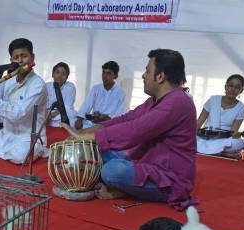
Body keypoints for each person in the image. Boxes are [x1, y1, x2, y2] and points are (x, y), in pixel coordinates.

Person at [64, 49, 197, 211]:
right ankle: (124, 186)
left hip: (168, 179)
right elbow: (127, 119)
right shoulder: (155, 100)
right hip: (146, 163)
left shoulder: (177, 102)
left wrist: (92, 136)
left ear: (160, 76)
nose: (143, 75)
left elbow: (136, 130)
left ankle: (123, 188)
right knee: (96, 149)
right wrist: (88, 132)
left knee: (111, 171)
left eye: (147, 71)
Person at [196, 74, 244, 157]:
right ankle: (223, 153)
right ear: (225, 87)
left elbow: (234, 131)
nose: (233, 89)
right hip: (205, 136)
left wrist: (236, 134)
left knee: (240, 143)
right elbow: (198, 123)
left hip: (224, 139)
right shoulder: (213, 99)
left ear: (241, 90)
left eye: (237, 87)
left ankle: (209, 150)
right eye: (230, 85)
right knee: (188, 137)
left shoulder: (241, 107)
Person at [74, 61, 126, 129]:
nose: (104, 76)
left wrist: (104, 117)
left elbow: (119, 116)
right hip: (93, 123)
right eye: (103, 72)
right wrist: (79, 119)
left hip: (109, 125)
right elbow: (86, 106)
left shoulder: (121, 93)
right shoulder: (96, 88)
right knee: (73, 122)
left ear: (115, 76)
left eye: (108, 73)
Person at [46, 62, 77, 127]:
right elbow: (43, 104)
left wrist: (51, 115)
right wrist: (46, 114)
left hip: (64, 115)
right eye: (57, 72)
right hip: (47, 116)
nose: (60, 76)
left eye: (63, 74)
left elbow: (67, 106)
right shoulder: (46, 86)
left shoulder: (70, 86)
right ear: (52, 74)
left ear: (67, 77)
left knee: (72, 120)